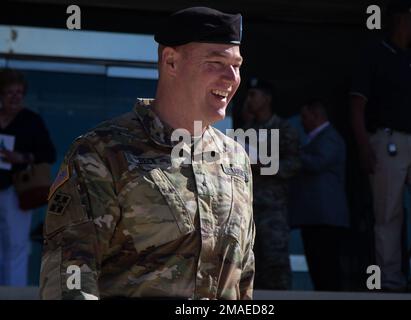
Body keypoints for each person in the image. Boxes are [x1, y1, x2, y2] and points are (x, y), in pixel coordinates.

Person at [39, 7, 255, 300]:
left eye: (237, 65)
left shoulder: (235, 159)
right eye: (215, 62)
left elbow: (243, 277)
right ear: (171, 62)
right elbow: (69, 280)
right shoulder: (102, 152)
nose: (231, 77)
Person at [350, 0, 411, 293]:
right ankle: (390, 281)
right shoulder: (373, 55)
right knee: (388, 214)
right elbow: (356, 104)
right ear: (403, 19)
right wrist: (363, 146)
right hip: (386, 139)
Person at [0, 68, 56, 286]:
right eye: (9, 92)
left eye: (19, 92)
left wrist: (22, 157)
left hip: (17, 190)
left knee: (16, 244)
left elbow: (49, 153)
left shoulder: (30, 120)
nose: (15, 97)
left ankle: (13, 292)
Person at [244, 78, 299, 290]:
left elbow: (294, 164)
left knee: (275, 264)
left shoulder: (283, 129)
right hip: (249, 208)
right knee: (250, 264)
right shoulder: (246, 129)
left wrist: (264, 164)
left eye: (253, 95)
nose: (249, 100)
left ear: (266, 99)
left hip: (273, 209)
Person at [289, 100, 349, 291]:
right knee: (318, 268)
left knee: (327, 268)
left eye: (305, 117)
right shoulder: (316, 139)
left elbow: (317, 163)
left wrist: (293, 153)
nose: (303, 123)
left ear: (316, 115)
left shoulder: (330, 137)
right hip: (315, 217)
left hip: (326, 218)